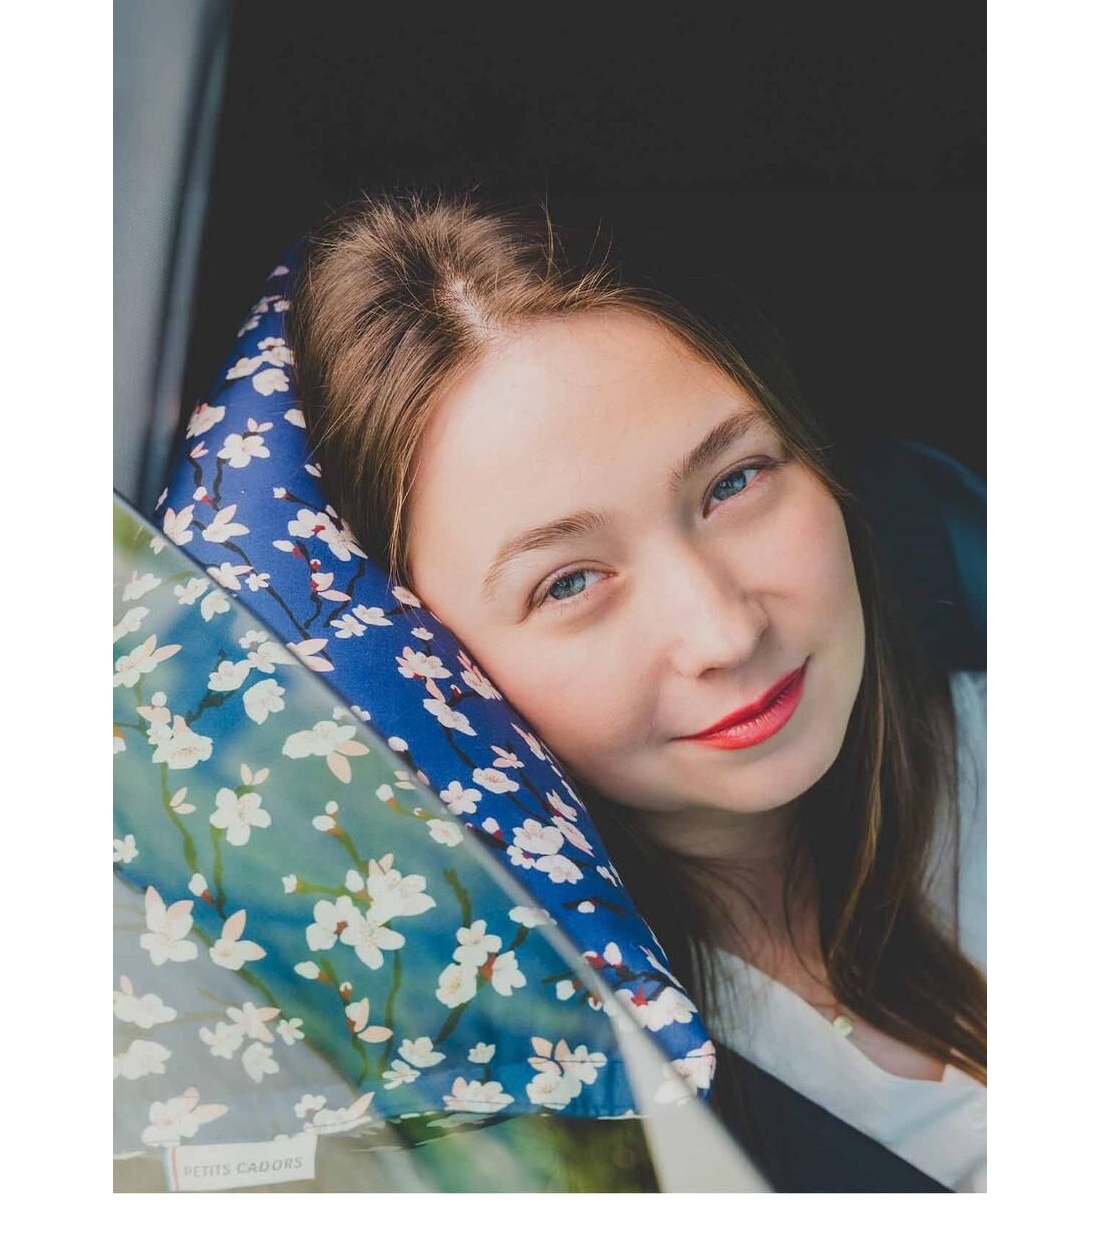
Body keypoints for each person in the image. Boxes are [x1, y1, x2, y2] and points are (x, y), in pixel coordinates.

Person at [287, 185, 987, 1191]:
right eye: (568, 583)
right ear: (431, 662)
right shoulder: (550, 1095)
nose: (723, 631)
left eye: (734, 481)